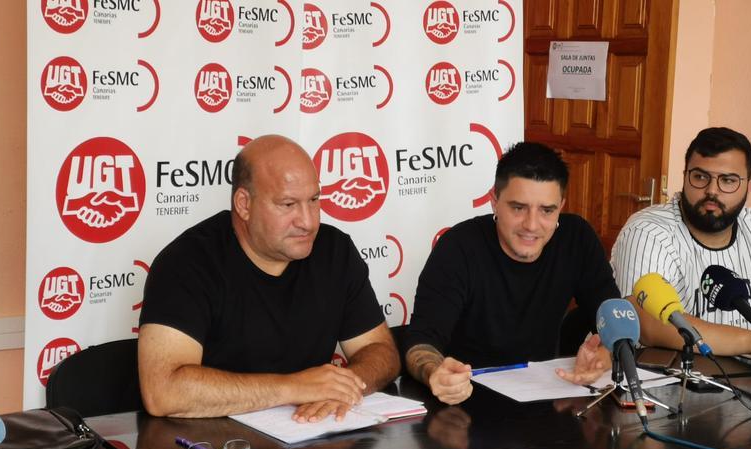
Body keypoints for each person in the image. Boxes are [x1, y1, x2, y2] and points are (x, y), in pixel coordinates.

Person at [137, 135, 400, 421]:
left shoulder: (334, 251)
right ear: (244, 204)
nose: (308, 222)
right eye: (288, 205)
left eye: (313, 200)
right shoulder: (187, 262)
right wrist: (294, 387)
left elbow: (381, 353)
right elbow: (163, 392)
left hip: (310, 440)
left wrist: (342, 385)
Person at [403, 142, 620, 405]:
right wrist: (435, 372)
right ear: (494, 202)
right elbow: (421, 342)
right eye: (518, 208)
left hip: (543, 401)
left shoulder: (577, 238)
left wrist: (605, 354)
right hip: (464, 405)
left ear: (561, 206)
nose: (531, 224)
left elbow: (613, 314)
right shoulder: (458, 247)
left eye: (546, 210)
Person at [611, 127, 751, 356]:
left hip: (750, 383)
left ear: (749, 186)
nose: (712, 191)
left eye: (727, 180)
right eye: (700, 177)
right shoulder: (649, 230)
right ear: (685, 176)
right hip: (666, 381)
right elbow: (648, 324)